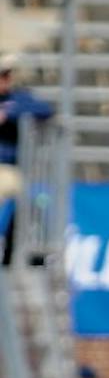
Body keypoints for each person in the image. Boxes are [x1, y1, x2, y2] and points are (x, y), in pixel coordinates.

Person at [0, 52, 53, 266]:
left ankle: (15, 253)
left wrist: (8, 114)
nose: (5, 80)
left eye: (7, 74)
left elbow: (45, 110)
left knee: (31, 202)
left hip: (8, 168)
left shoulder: (17, 98)